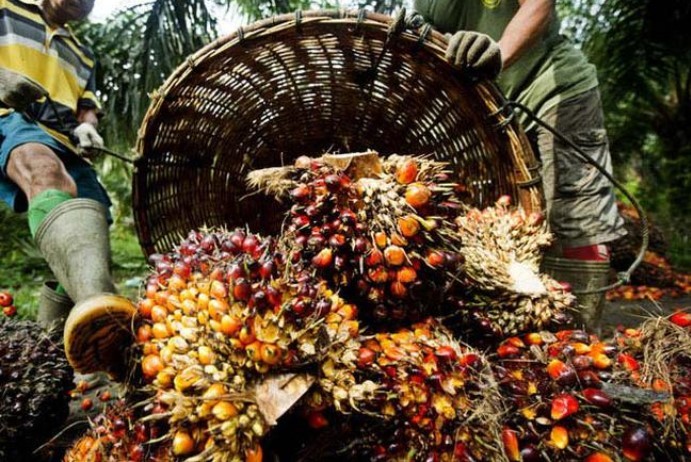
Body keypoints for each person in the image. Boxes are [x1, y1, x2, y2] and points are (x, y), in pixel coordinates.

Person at [413, 0, 626, 330]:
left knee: (575, 217)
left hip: (552, 89)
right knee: (503, 225)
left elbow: (539, 5)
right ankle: (533, 326)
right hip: (493, 108)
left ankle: (581, 336)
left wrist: (498, 53)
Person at [0, 0, 134, 378]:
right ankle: (105, 320)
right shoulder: (7, 9)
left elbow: (86, 106)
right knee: (43, 170)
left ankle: (49, 358)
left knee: (91, 222)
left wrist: (87, 125)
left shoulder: (82, 53)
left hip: (68, 141)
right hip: (12, 120)